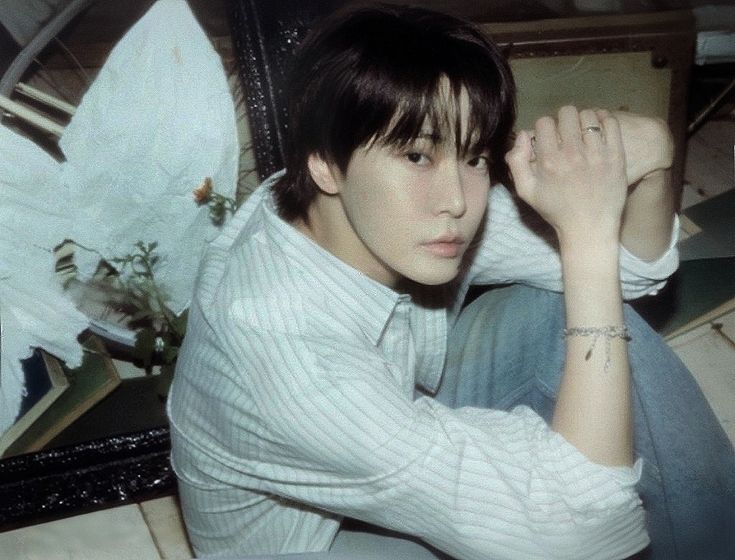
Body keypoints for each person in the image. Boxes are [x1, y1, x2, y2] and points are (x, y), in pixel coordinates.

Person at [167, 5, 735, 559]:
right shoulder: (286, 352)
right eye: (417, 156)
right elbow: (579, 534)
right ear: (325, 164)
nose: (457, 201)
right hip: (314, 539)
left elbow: (630, 271)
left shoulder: (361, 210)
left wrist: (653, 162)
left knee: (558, 306)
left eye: (474, 157)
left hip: (392, 408)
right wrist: (586, 233)